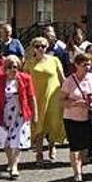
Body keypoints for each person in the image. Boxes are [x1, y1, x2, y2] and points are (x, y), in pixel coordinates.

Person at [0, 55, 37, 180]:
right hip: (4, 114)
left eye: (14, 67)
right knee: (5, 140)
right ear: (5, 68)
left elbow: (32, 97)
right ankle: (10, 161)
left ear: (18, 67)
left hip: (20, 114)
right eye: (9, 67)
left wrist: (35, 114)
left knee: (17, 140)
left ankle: (15, 166)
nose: (12, 69)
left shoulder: (25, 78)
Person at [60, 53, 92, 182]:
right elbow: (61, 100)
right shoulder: (69, 80)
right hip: (72, 118)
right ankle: (77, 174)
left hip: (88, 117)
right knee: (75, 147)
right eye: (84, 64)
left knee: (86, 149)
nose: (87, 67)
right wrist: (76, 103)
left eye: (89, 64)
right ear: (76, 65)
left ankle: (81, 165)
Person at [25, 36, 66, 165]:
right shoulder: (29, 63)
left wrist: (69, 92)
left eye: (43, 46)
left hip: (54, 95)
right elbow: (24, 81)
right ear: (33, 48)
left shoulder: (54, 60)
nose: (41, 48)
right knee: (39, 124)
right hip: (37, 97)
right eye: (37, 46)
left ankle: (52, 145)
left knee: (53, 121)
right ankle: (39, 152)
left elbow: (62, 78)